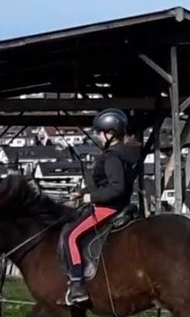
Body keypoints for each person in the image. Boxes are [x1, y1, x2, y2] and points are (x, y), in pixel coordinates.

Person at [60, 108, 142, 305]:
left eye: (99, 132)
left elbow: (116, 188)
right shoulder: (127, 153)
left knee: (70, 236)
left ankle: (77, 284)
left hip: (108, 208)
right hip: (116, 204)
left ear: (111, 133)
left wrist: (89, 197)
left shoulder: (113, 156)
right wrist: (81, 193)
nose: (97, 136)